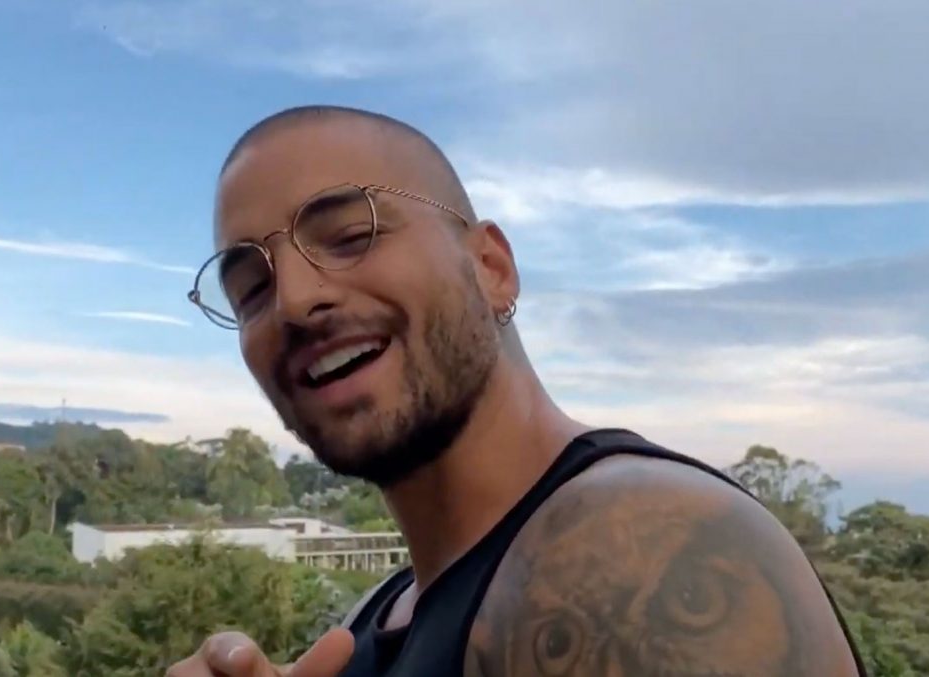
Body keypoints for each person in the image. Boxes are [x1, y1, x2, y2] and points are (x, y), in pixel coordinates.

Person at [168, 106, 866, 677]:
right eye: (251, 288)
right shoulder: (371, 621)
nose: (293, 300)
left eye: (351, 236)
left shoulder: (632, 552)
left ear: (491, 267)